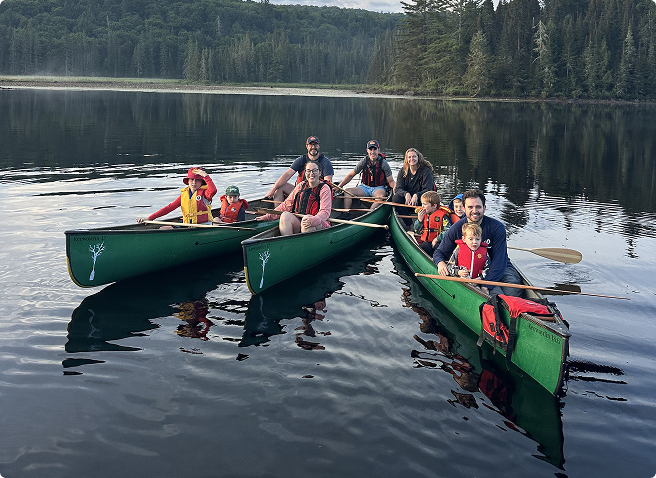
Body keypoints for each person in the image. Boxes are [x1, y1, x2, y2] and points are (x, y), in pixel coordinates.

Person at [433, 189, 522, 296]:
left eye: (478, 207)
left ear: (484, 208)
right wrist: (440, 263)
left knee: (512, 291)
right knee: (494, 296)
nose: (474, 211)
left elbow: (499, 261)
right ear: (464, 209)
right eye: (470, 207)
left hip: (499, 268)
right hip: (469, 270)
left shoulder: (497, 227)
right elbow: (439, 252)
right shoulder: (456, 228)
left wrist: (486, 284)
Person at [257, 160, 332, 235]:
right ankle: (288, 243)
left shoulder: (324, 189)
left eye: (314, 170)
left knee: (307, 219)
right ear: (305, 173)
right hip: (300, 221)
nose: (311, 173)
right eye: (308, 171)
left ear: (320, 173)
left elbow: (325, 212)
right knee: (285, 215)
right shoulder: (301, 185)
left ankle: (307, 245)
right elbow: (286, 205)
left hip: (319, 223)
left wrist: (313, 220)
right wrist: (267, 217)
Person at [264, 136, 334, 203]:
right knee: (279, 187)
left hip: (316, 193)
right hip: (300, 191)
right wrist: (273, 189)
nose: (313, 147)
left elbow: (328, 183)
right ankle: (278, 213)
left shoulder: (325, 162)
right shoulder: (301, 160)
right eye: (311, 145)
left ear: (319, 146)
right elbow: (288, 174)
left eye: (315, 145)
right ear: (307, 146)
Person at [138, 167, 217, 226]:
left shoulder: (206, 193)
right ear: (188, 181)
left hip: (203, 226)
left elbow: (213, 190)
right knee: (164, 228)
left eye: (197, 180)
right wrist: (150, 218)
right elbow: (169, 208)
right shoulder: (184, 195)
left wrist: (205, 176)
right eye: (191, 180)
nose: (194, 182)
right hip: (188, 226)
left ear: (201, 183)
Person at [336, 140, 395, 214]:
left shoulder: (383, 163)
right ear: (367, 150)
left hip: (378, 188)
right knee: (347, 191)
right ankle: (345, 213)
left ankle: (369, 214)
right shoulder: (364, 161)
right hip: (365, 187)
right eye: (370, 149)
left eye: (375, 149)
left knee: (381, 196)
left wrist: (395, 187)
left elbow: (390, 181)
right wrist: (339, 186)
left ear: (378, 150)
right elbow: (351, 175)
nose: (372, 152)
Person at [393, 148, 434, 226]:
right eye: (409, 157)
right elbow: (398, 188)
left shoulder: (425, 171)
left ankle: (425, 223)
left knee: (429, 200)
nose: (412, 159)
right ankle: (410, 224)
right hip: (407, 202)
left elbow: (428, 189)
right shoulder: (403, 171)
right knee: (396, 198)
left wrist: (417, 195)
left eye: (414, 157)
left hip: (420, 201)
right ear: (406, 159)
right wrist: (406, 194)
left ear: (418, 157)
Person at [446, 222, 490, 295]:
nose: (474, 242)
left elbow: (488, 270)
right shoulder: (458, 251)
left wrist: (479, 279)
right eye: (471, 239)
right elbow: (449, 266)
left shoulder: (485, 253)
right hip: (461, 281)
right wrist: (458, 272)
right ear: (464, 239)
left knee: (484, 292)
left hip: (476, 283)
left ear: (481, 239)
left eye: (477, 239)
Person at [413, 191, 459, 256]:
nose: (422, 206)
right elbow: (416, 231)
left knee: (439, 247)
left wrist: (437, 239)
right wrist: (419, 221)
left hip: (439, 241)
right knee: (424, 246)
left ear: (434, 206)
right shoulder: (423, 215)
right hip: (427, 242)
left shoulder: (442, 216)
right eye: (422, 204)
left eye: (425, 204)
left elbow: (448, 230)